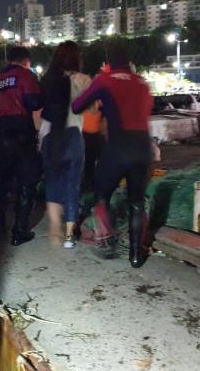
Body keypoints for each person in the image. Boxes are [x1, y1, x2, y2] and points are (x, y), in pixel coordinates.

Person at [72, 43, 153, 268]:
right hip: (143, 148)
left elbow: (77, 106)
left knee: (101, 195)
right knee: (136, 202)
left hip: (117, 147)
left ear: (108, 63)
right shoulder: (142, 83)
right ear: (129, 63)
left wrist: (100, 102)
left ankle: (106, 241)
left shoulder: (104, 80)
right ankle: (135, 256)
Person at [0, 47, 43, 246]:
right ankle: (19, 231)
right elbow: (34, 102)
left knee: (2, 182)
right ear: (26, 61)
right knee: (26, 183)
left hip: (1, 134)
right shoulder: (25, 75)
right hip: (21, 134)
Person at [40, 41, 91, 248]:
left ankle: (55, 228)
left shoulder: (48, 79)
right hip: (74, 135)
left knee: (52, 181)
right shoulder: (84, 80)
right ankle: (69, 235)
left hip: (51, 134)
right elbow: (93, 109)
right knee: (72, 184)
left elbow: (40, 107)